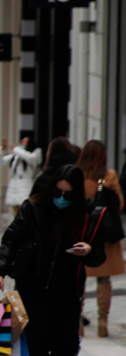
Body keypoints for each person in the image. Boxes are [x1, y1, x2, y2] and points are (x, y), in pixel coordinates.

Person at [0, 165, 106, 356]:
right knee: (38, 340)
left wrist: (88, 250)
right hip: (33, 284)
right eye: (58, 192)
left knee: (66, 343)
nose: (61, 198)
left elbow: (98, 255)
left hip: (68, 287)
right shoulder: (33, 208)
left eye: (67, 194)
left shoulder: (86, 215)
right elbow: (11, 240)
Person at [76, 140, 125, 337]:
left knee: (79, 278)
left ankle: (77, 322)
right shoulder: (108, 175)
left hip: (82, 233)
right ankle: (102, 322)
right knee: (104, 279)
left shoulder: (76, 174)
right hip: (105, 234)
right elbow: (119, 204)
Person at [0, 136, 43, 219]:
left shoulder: (36, 153)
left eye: (24, 141)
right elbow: (1, 161)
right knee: (15, 210)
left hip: (25, 184)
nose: (21, 143)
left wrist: (16, 149)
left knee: (25, 208)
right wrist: (1, 150)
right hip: (14, 185)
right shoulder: (16, 155)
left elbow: (31, 158)